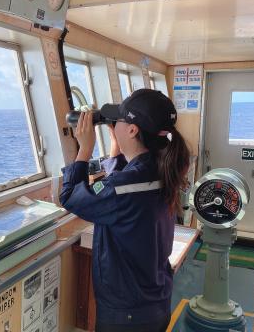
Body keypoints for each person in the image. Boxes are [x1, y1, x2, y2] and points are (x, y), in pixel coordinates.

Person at [59, 89, 190, 332]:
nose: (113, 123)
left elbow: (70, 197)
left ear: (132, 130)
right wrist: (116, 144)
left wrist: (84, 149)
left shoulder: (127, 186)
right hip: (153, 301)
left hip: (127, 315)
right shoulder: (161, 168)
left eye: (118, 119)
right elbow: (122, 181)